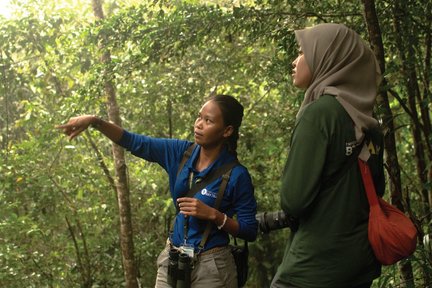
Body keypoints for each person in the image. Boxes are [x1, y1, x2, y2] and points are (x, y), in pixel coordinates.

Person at [57, 94, 258, 288]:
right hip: (174, 256)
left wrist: (214, 215)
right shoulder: (180, 153)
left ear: (227, 131)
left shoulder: (237, 175)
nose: (198, 124)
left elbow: (249, 230)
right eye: (199, 117)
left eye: (208, 120)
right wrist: (95, 121)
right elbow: (135, 142)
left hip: (213, 266)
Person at [271, 23, 385, 288]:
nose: (294, 60)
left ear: (328, 58)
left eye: (302, 52)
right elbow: (376, 189)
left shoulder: (319, 114)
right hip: (359, 264)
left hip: (313, 266)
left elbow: (294, 200)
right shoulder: (369, 123)